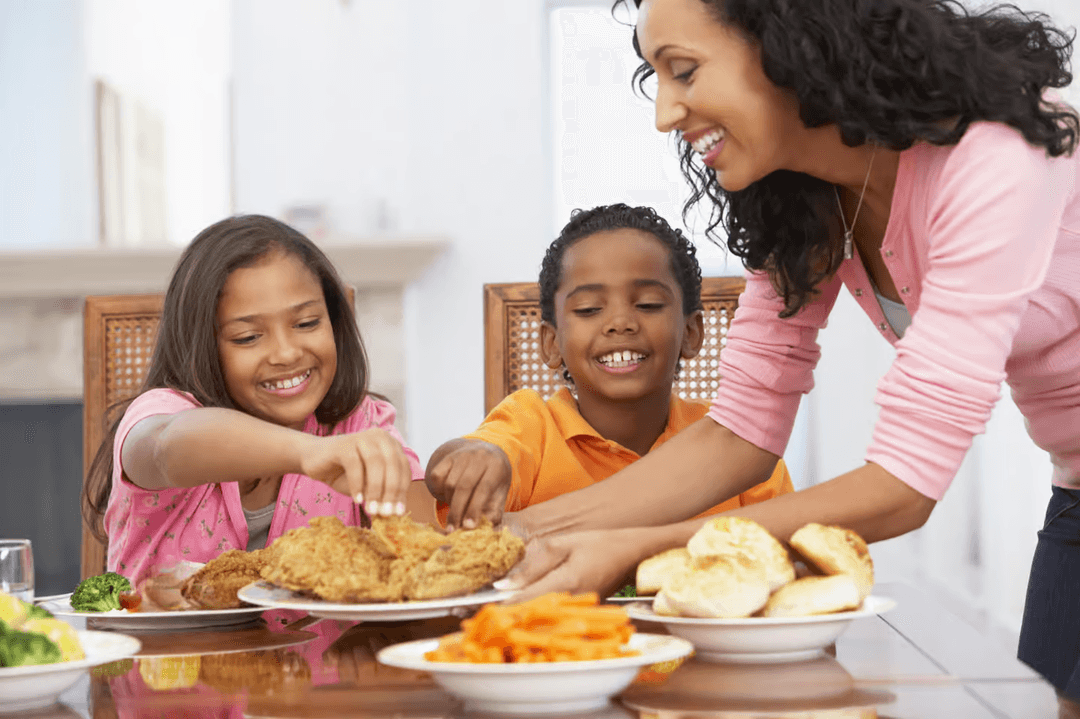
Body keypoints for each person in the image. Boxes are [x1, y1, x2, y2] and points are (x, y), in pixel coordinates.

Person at [496, 0, 1080, 699]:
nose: (664, 113)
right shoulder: (810, 198)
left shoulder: (995, 151)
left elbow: (906, 482)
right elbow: (738, 432)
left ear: (791, 42)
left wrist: (639, 544)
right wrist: (514, 534)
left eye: (683, 71)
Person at [82, 214, 427, 584]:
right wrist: (307, 453)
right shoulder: (162, 414)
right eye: (247, 337)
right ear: (202, 347)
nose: (286, 353)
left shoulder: (358, 423)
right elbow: (168, 446)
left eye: (307, 323)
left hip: (325, 645)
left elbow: (432, 555)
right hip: (167, 644)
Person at [424, 204, 793, 531]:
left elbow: (785, 551)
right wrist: (475, 458)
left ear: (692, 332)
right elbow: (463, 459)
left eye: (648, 304)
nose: (620, 322)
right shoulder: (529, 424)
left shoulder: (736, 443)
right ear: (551, 344)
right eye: (588, 309)